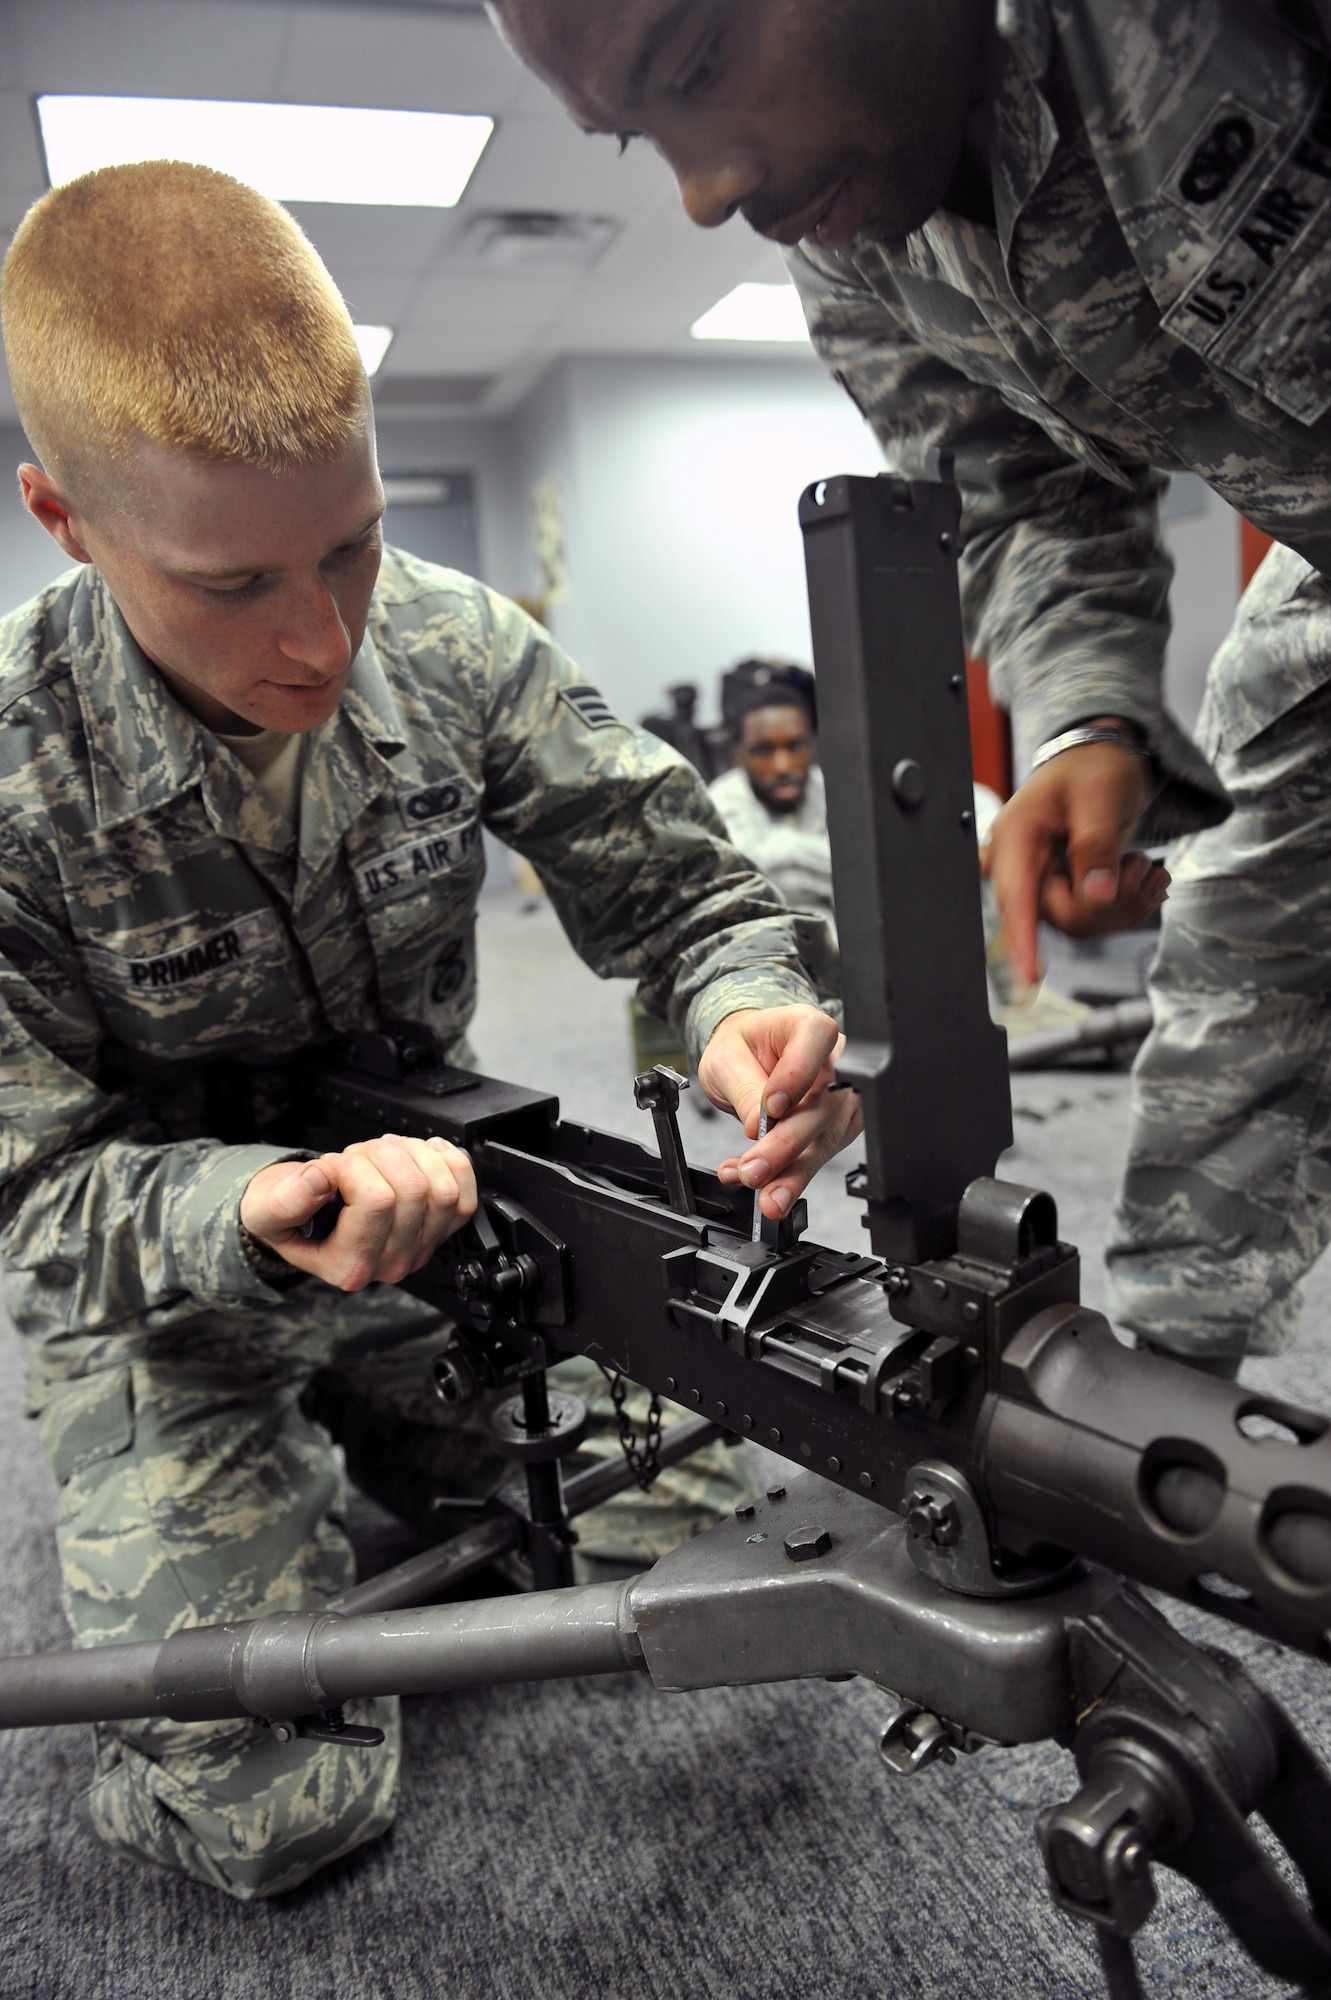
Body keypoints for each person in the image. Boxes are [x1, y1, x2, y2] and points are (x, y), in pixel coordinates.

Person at [0, 161, 858, 1897]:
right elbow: (30, 1210)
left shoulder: (457, 645)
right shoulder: (14, 779)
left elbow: (691, 898)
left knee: (756, 1554)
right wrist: (248, 1212)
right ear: (66, 521)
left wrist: (748, 1010)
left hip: (455, 1249)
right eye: (231, 582)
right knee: (266, 1816)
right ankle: (299, 1492)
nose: (322, 637)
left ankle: (372, 1483)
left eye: (354, 543)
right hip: (175, 1301)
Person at [492, 0, 1331, 1379]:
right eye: (643, 137)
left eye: (697, 66)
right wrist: (1086, 717)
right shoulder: (849, 244)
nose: (705, 193)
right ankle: (1159, 1430)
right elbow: (1025, 497)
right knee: (1240, 947)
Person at [708, 660, 837, 938]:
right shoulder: (720, 802)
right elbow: (736, 893)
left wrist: (776, 853)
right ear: (739, 755)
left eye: (795, 746)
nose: (783, 767)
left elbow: (863, 875)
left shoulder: (827, 789)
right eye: (764, 751)